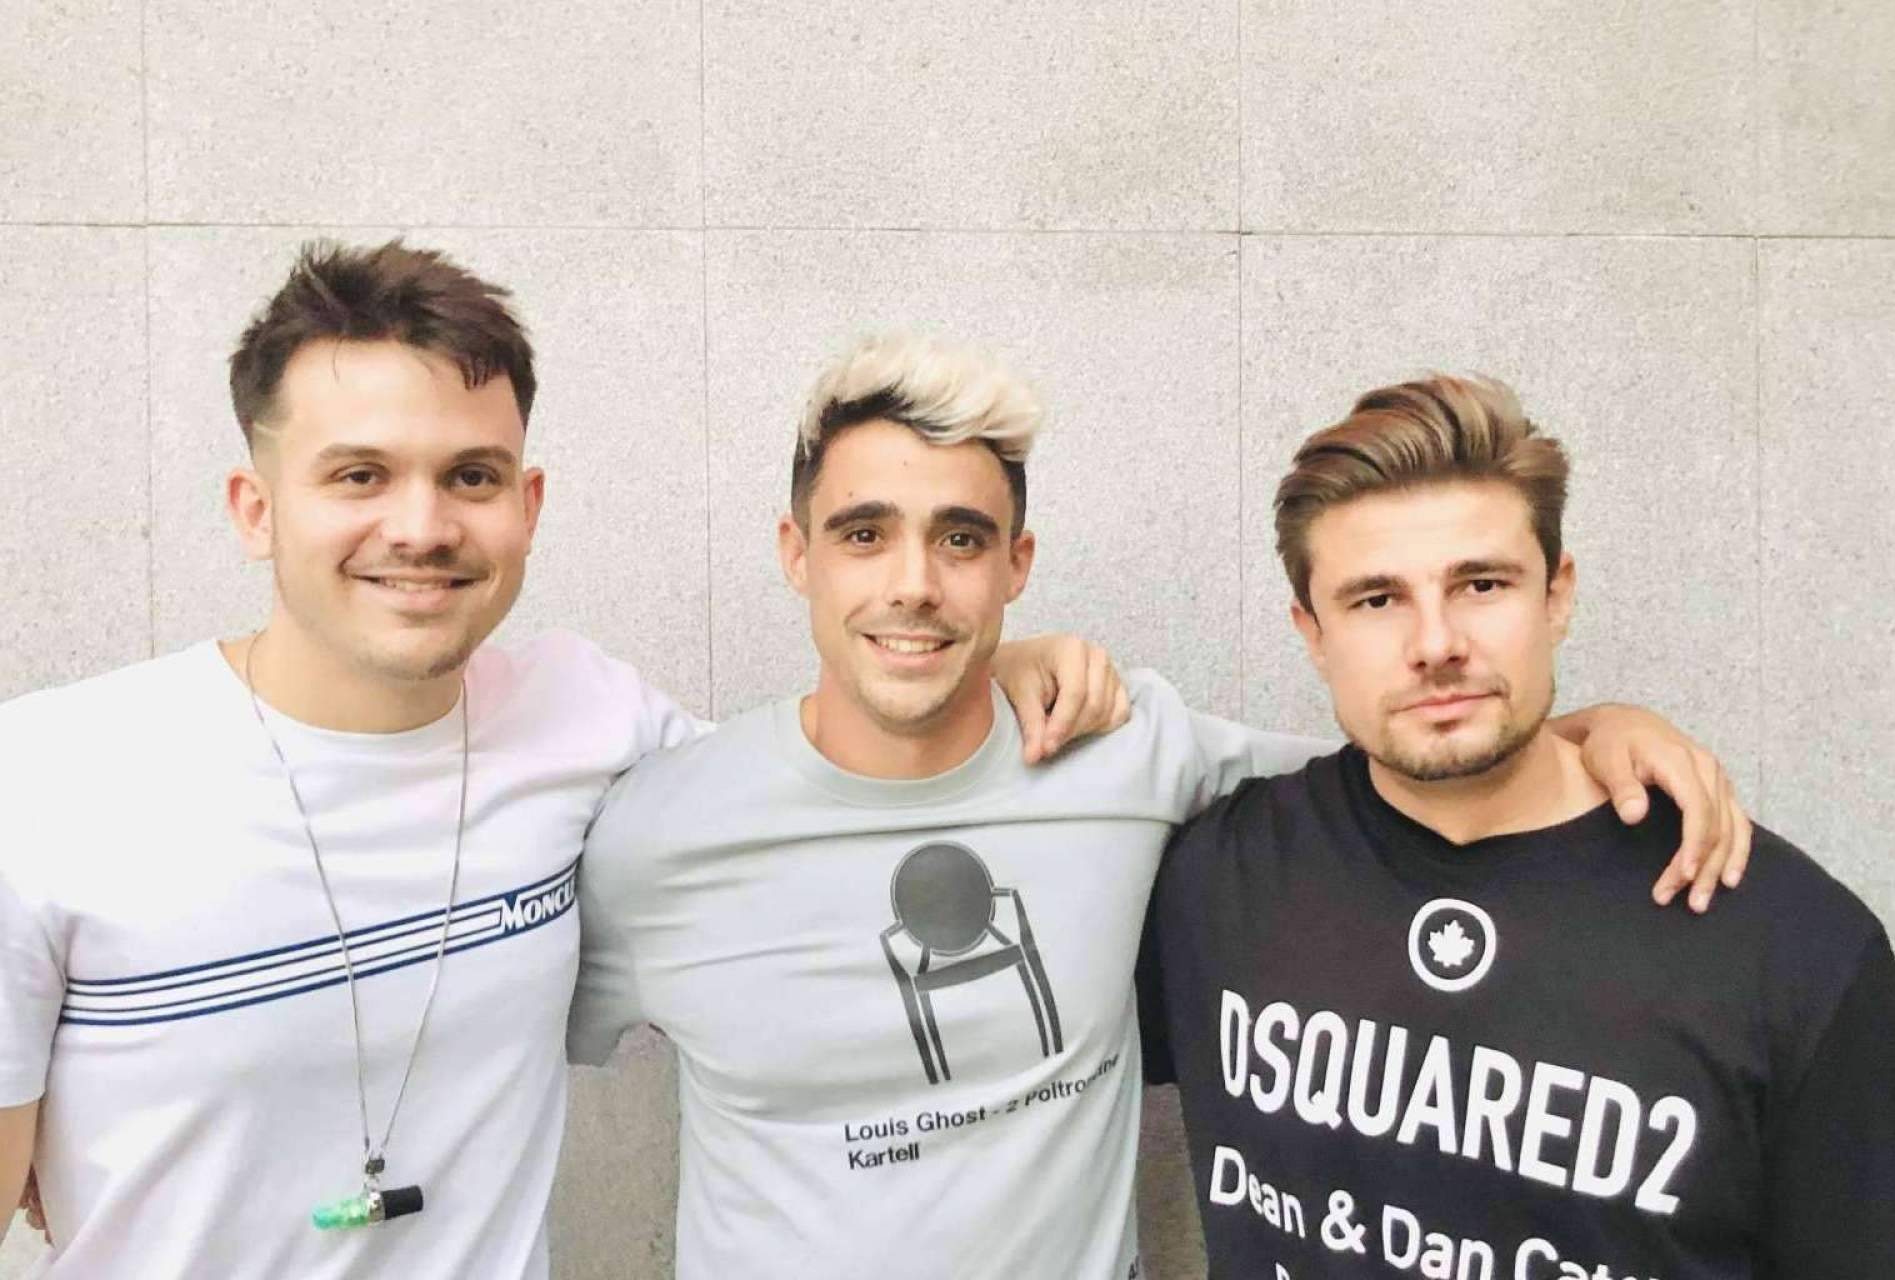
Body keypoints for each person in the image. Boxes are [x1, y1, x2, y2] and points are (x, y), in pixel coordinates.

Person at [0, 242, 1121, 1278]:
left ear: (527, 506)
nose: (421, 526)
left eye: (471, 476)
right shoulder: (46, 786)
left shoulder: (588, 720)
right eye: (359, 476)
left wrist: (982, 661)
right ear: (255, 510)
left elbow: (824, 784)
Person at [569, 337, 1750, 1278]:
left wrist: (1590, 728)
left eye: (961, 537)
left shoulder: (1124, 751)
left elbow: (1412, 759)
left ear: (1017, 563)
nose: (914, 581)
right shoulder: (660, 834)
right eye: (864, 533)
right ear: (797, 552)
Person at [1139, 374, 1895, 1277]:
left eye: (1481, 583)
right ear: (1312, 631)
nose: (1436, 644)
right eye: (1376, 600)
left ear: (1557, 595)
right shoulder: (1214, 877)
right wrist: (1014, 672)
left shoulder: (1791, 945)